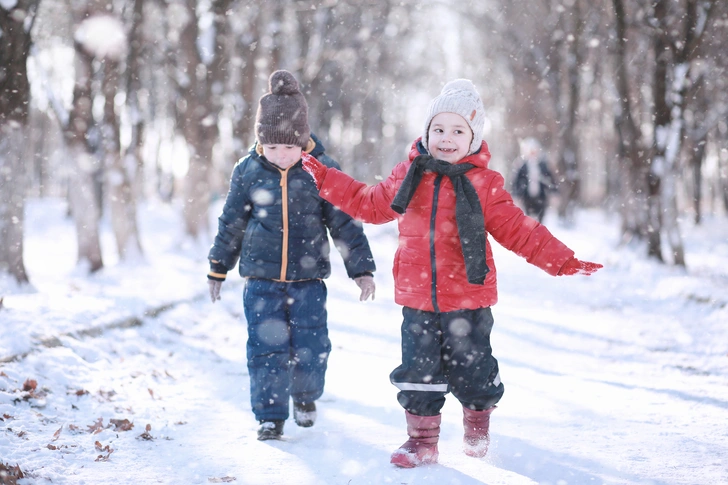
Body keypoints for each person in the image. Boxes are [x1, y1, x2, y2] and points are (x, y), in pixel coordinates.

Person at [301, 79, 602, 467]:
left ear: (473, 138)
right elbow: (370, 204)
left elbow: (517, 228)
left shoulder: (483, 184)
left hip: (469, 297)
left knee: (474, 369)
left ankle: (477, 423)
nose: (446, 138)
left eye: (458, 130)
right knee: (417, 370)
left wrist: (560, 259)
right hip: (417, 296)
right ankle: (421, 441)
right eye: (438, 129)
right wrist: (325, 177)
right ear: (426, 133)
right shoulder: (410, 173)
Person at [207, 70, 377, 441]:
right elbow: (232, 221)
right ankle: (270, 415)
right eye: (272, 148)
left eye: (288, 148)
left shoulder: (322, 171)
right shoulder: (248, 171)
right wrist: (218, 267)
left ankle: (305, 396)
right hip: (261, 280)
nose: (281, 156)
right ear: (260, 142)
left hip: (308, 280)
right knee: (265, 348)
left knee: (311, 345)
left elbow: (344, 223)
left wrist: (361, 268)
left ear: (303, 142)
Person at [511, 137, 557, 223]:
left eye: (534, 150)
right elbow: (516, 182)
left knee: (541, 218)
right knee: (528, 218)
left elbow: (551, 179)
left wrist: (554, 192)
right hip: (526, 196)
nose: (533, 153)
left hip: (541, 196)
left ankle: (539, 233)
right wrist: (516, 195)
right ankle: (531, 233)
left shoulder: (544, 164)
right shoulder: (521, 165)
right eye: (530, 150)